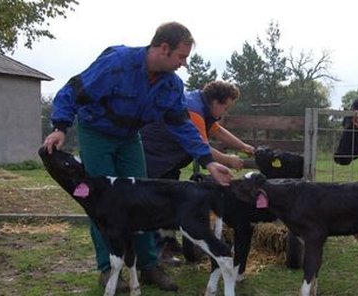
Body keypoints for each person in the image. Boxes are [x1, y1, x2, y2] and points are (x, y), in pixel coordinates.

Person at [42, 21, 232, 293]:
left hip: (130, 137)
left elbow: (181, 125)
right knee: (102, 200)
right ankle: (109, 270)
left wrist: (208, 161)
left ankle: (149, 265)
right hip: (96, 132)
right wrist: (60, 126)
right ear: (163, 48)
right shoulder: (117, 63)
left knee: (143, 199)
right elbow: (73, 91)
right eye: (181, 56)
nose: (184, 63)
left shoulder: (171, 85)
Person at [140, 81, 255, 264]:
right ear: (216, 102)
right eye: (225, 107)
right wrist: (228, 160)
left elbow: (217, 130)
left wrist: (243, 146)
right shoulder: (193, 110)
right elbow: (202, 146)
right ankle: (157, 252)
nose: (225, 112)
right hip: (155, 157)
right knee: (157, 204)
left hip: (167, 161)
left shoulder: (201, 105)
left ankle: (167, 242)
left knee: (168, 202)